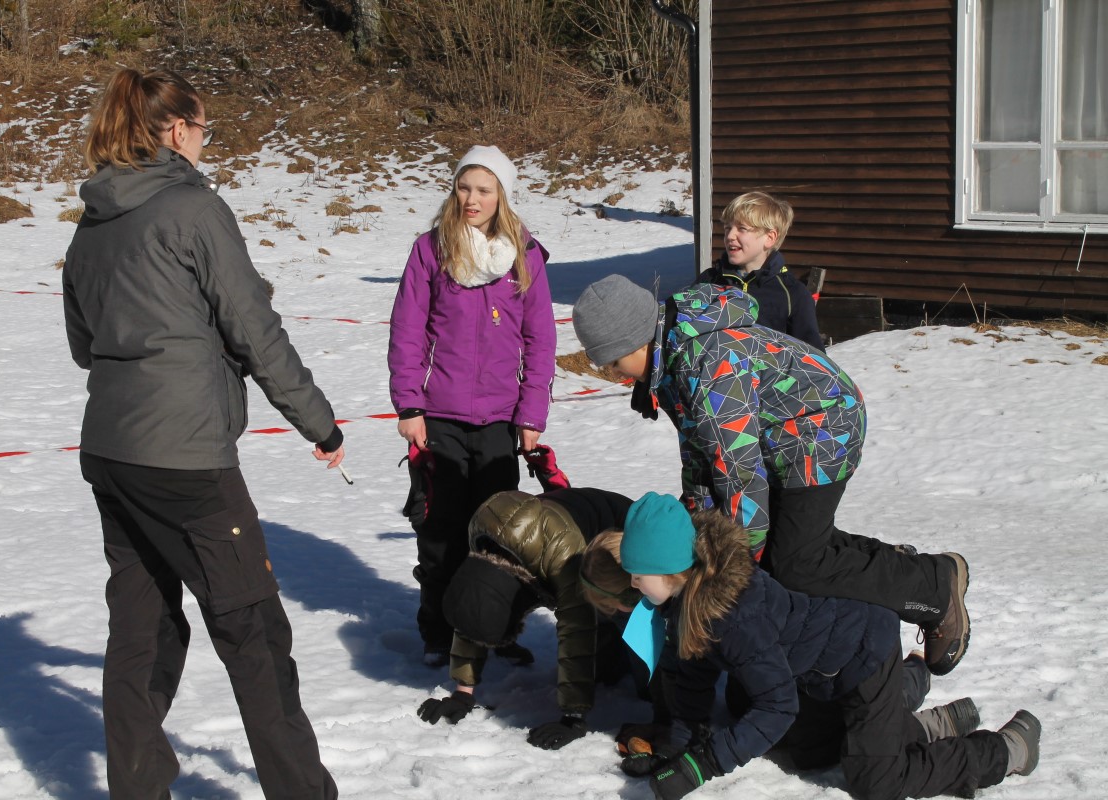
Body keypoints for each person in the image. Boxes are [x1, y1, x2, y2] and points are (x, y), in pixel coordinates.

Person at [63, 68, 341, 800]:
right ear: (177, 129)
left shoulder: (93, 222)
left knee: (143, 631)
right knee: (254, 635)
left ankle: (138, 790)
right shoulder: (192, 208)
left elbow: (84, 341)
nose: (204, 142)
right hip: (184, 457)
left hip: (112, 450)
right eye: (204, 128)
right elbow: (253, 327)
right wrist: (318, 421)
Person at [571, 275, 970, 677]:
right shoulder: (674, 355)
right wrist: (694, 526)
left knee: (797, 562)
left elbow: (739, 476)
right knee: (792, 543)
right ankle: (894, 565)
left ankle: (932, 589)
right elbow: (701, 457)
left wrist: (732, 567)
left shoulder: (709, 365)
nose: (618, 373)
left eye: (615, 362)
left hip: (822, 426)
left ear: (635, 341)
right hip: (783, 433)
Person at [612, 493, 1041, 800]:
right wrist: (675, 750)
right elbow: (692, 678)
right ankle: (929, 726)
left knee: (877, 783)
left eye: (638, 573)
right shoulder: (685, 603)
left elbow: (777, 707)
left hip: (864, 656)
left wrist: (701, 766)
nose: (632, 582)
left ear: (671, 569)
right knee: (808, 751)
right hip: (821, 675)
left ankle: (1007, 749)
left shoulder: (735, 616)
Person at [388, 145, 558, 666]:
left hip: (501, 420)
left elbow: (541, 337)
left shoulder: (524, 255)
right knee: (440, 531)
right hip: (438, 416)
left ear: (501, 195)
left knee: (497, 536)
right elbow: (407, 330)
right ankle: (438, 634)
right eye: (464, 187)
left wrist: (531, 415)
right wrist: (408, 405)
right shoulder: (430, 250)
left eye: (484, 190)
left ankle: (494, 630)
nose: (471, 199)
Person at [416, 487, 636, 749]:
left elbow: (577, 630)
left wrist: (573, 717)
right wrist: (463, 693)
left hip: (618, 533)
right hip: (559, 531)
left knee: (628, 649)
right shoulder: (484, 539)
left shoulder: (563, 560)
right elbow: (473, 605)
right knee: (483, 598)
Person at [693, 191, 825, 349]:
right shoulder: (709, 281)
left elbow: (813, 360)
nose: (730, 236)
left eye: (742, 228)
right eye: (728, 228)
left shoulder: (793, 294)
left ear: (769, 238)